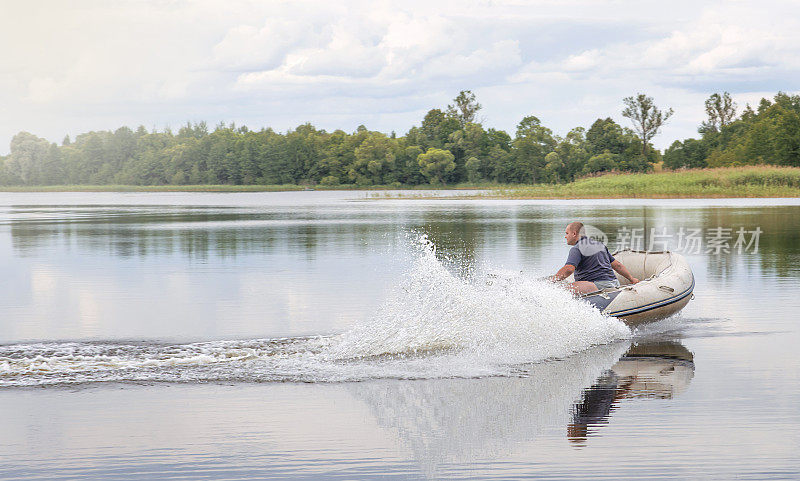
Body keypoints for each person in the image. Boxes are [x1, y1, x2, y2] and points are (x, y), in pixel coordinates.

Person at [551, 222, 639, 294]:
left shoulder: (576, 249)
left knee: (563, 290)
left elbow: (569, 269)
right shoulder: (600, 245)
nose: (565, 236)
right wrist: (632, 279)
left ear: (574, 234)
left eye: (567, 233)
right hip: (614, 282)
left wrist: (552, 281)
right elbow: (617, 265)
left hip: (597, 285)